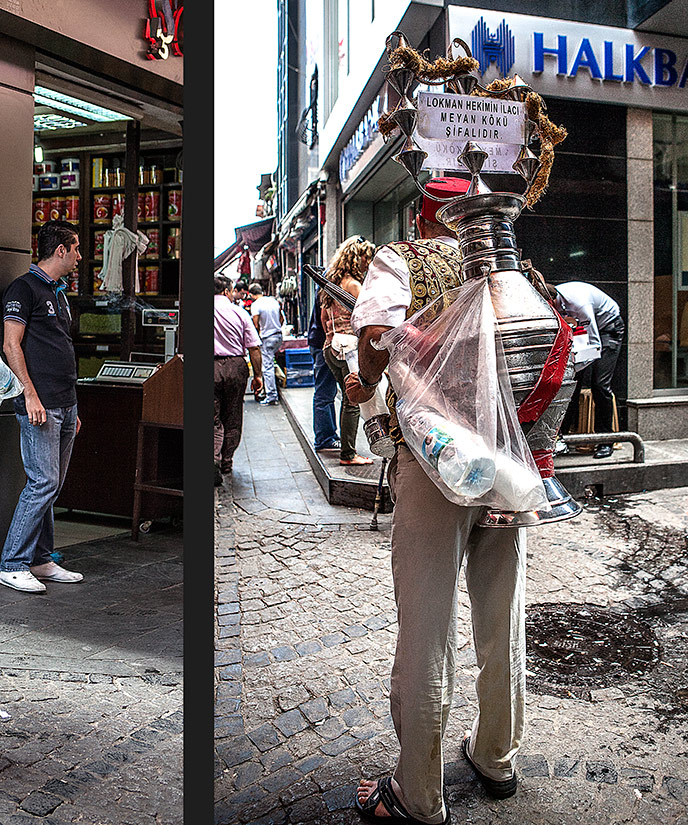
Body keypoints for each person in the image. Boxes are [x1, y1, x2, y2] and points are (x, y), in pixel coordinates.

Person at [346, 177, 524, 825]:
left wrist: (364, 380)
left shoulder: (404, 259)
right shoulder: (515, 267)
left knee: (427, 623)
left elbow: (373, 337)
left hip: (436, 460)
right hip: (509, 456)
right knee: (502, 616)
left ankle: (418, 793)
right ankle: (497, 755)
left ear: (427, 216)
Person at [0, 220, 85, 594]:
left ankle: (41, 559)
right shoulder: (24, 288)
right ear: (61, 250)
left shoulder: (59, 293)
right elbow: (11, 345)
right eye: (76, 249)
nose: (80, 256)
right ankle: (13, 563)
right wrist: (30, 395)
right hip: (40, 403)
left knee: (52, 485)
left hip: (65, 404)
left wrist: (73, 408)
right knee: (43, 482)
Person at [550, 281, 625, 459]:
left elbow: (594, 344)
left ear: (552, 299)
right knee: (571, 385)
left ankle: (606, 441)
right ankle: (560, 440)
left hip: (607, 330)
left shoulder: (579, 304)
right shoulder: (559, 300)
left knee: (600, 384)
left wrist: (576, 367)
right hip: (584, 332)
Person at [322, 236, 376, 466]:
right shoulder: (353, 284)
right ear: (357, 257)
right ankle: (348, 454)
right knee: (353, 400)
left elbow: (325, 319)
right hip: (349, 349)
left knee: (347, 398)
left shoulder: (331, 285)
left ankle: (348, 450)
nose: (368, 264)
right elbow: (368, 316)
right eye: (366, 258)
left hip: (331, 348)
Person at [214, 274, 262, 486]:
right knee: (232, 414)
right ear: (226, 291)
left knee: (212, 416)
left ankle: (212, 460)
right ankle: (226, 460)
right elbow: (254, 347)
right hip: (236, 366)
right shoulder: (239, 312)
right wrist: (258, 375)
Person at [307, 289, 340, 451]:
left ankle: (329, 434)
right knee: (325, 391)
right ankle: (324, 438)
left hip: (320, 342)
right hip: (323, 344)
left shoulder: (328, 282)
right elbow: (324, 317)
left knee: (327, 391)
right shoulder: (329, 285)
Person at [249, 283, 285, 406]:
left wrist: (259, 334)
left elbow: (255, 324)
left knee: (267, 367)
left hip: (267, 337)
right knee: (271, 361)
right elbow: (282, 319)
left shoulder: (255, 305)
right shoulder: (273, 301)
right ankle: (274, 388)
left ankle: (272, 396)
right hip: (278, 336)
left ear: (252, 295)